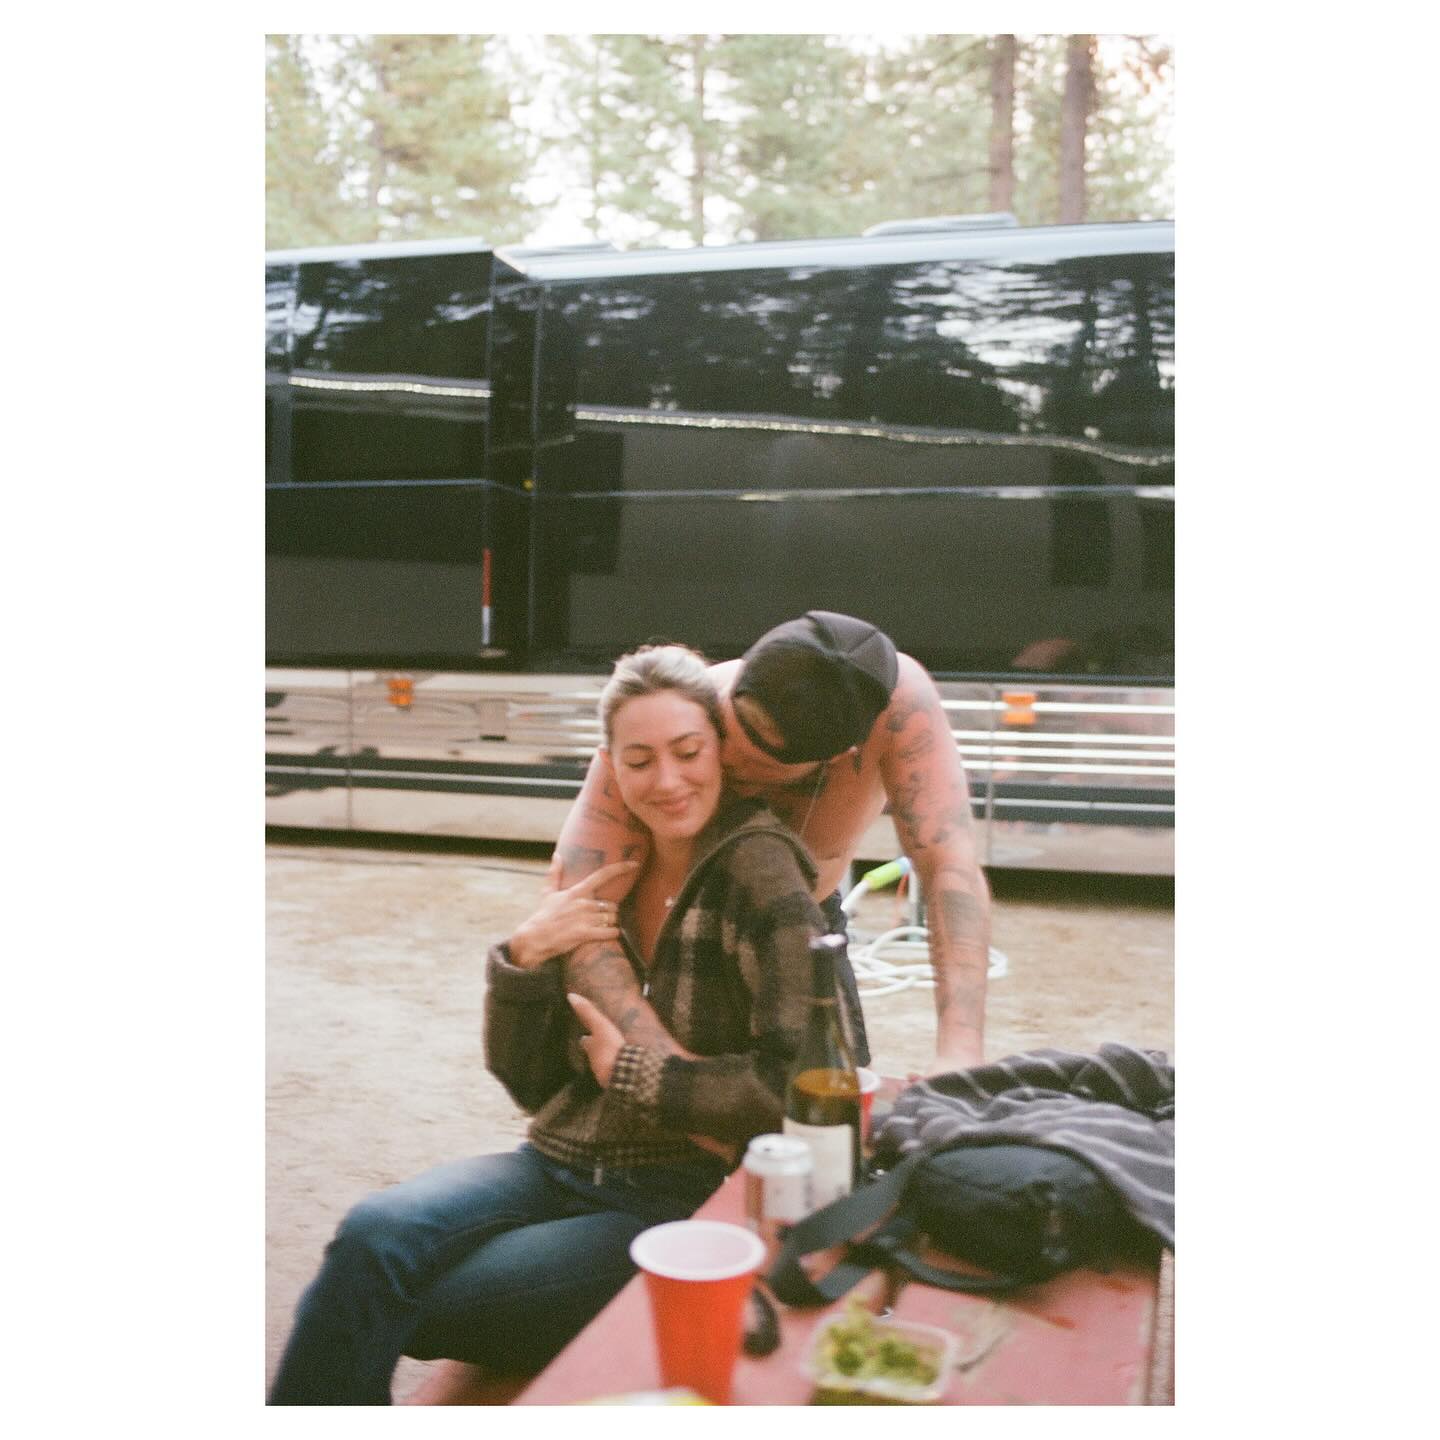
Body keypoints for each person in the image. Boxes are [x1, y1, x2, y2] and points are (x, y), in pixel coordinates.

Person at [268, 644, 852, 1404]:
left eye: (687, 752)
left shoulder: (764, 876)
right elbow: (532, 1083)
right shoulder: (614, 864)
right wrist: (521, 963)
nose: (668, 781)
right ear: (610, 763)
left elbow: (805, 1089)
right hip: (554, 1161)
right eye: (639, 760)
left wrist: (643, 1075)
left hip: (672, 1195)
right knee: (371, 1236)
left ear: (720, 751)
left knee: (412, 1302)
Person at [554, 611, 992, 1074]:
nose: (729, 756)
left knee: (825, 1112)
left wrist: (960, 1055)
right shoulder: (679, 710)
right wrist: (663, 1067)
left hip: (800, 934)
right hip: (666, 948)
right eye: (726, 729)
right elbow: (578, 909)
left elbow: (949, 866)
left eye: (761, 759)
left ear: (838, 757)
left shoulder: (901, 713)